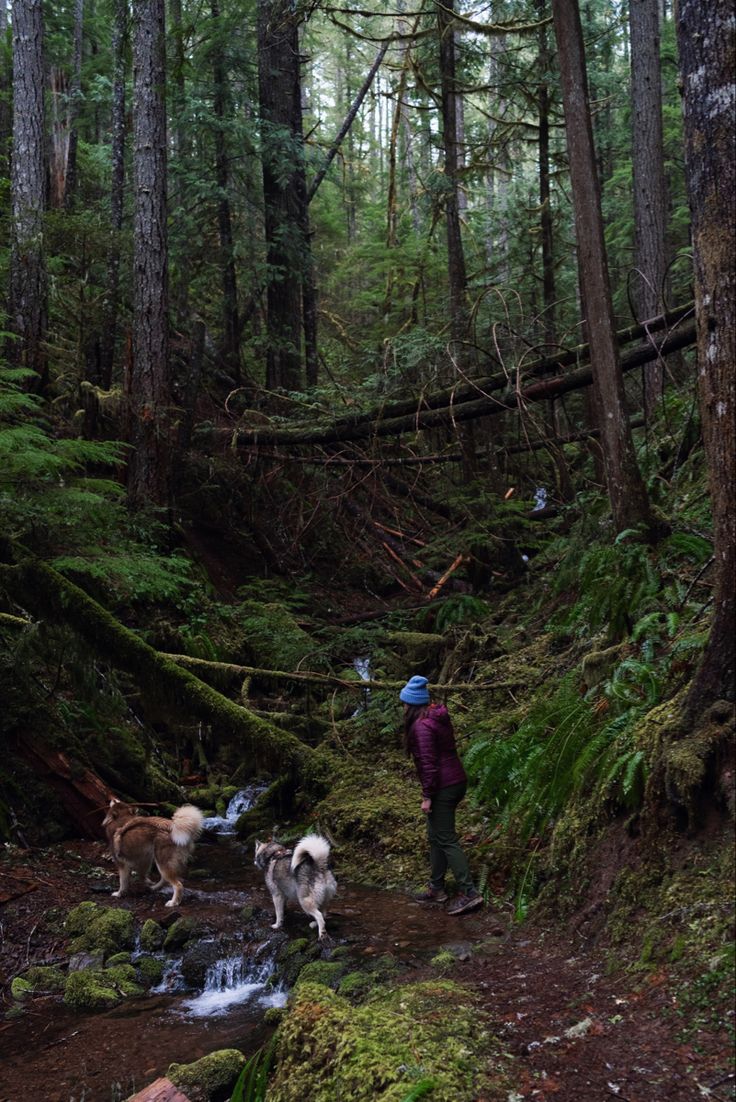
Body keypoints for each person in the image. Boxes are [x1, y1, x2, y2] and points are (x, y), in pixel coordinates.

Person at [400, 674, 483, 915]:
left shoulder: (422, 726)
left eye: (405, 703)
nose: (403, 707)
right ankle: (436, 887)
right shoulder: (434, 717)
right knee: (435, 835)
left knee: (445, 838)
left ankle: (469, 893)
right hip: (454, 781)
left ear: (412, 704)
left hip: (444, 787)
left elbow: (428, 764)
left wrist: (427, 796)